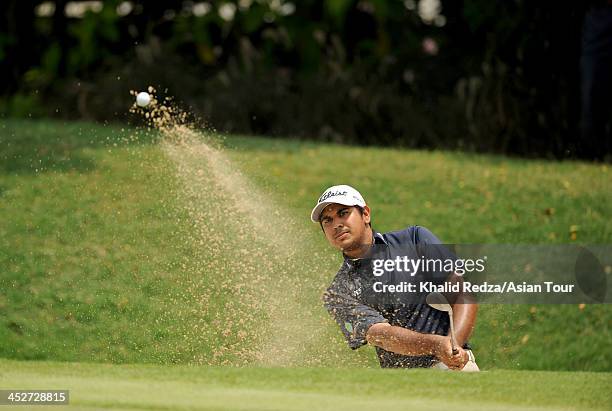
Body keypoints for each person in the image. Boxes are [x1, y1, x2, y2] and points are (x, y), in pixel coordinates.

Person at [311, 184, 479, 370]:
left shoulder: (414, 240)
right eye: (327, 221)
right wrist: (436, 345)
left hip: (451, 367)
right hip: (399, 383)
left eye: (343, 213)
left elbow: (462, 293)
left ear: (366, 214)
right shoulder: (338, 292)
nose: (337, 224)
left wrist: (453, 346)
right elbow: (380, 335)